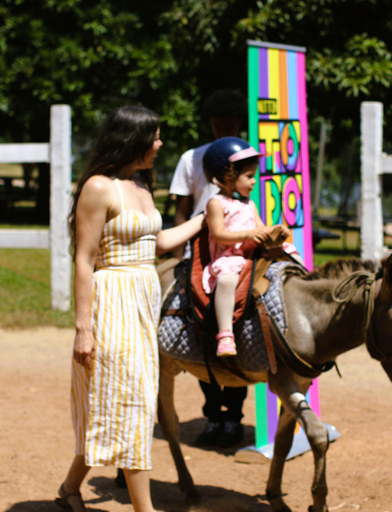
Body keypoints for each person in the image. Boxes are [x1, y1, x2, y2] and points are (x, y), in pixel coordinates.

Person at [58, 105, 203, 512]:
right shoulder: (99, 188)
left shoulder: (140, 185)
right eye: (154, 137)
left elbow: (154, 242)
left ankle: (70, 489)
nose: (159, 144)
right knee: (134, 401)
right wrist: (83, 328)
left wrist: (203, 221)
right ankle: (146, 509)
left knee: (118, 397)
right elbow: (85, 259)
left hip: (142, 302)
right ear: (133, 138)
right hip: (112, 301)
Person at [168, 90, 250, 447]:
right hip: (201, 249)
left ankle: (234, 416)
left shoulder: (249, 159)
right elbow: (182, 206)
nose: (221, 133)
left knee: (242, 320)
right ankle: (213, 414)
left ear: (240, 125)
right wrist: (178, 249)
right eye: (216, 126)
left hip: (240, 245)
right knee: (203, 324)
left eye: (228, 127)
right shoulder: (191, 158)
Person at [202, 137, 290, 357]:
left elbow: (261, 229)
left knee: (288, 265)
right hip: (228, 258)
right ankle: (225, 334)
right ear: (227, 176)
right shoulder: (216, 203)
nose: (253, 182)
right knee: (227, 280)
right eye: (249, 177)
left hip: (251, 255)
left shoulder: (249, 204)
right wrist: (248, 234)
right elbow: (218, 234)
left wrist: (277, 230)